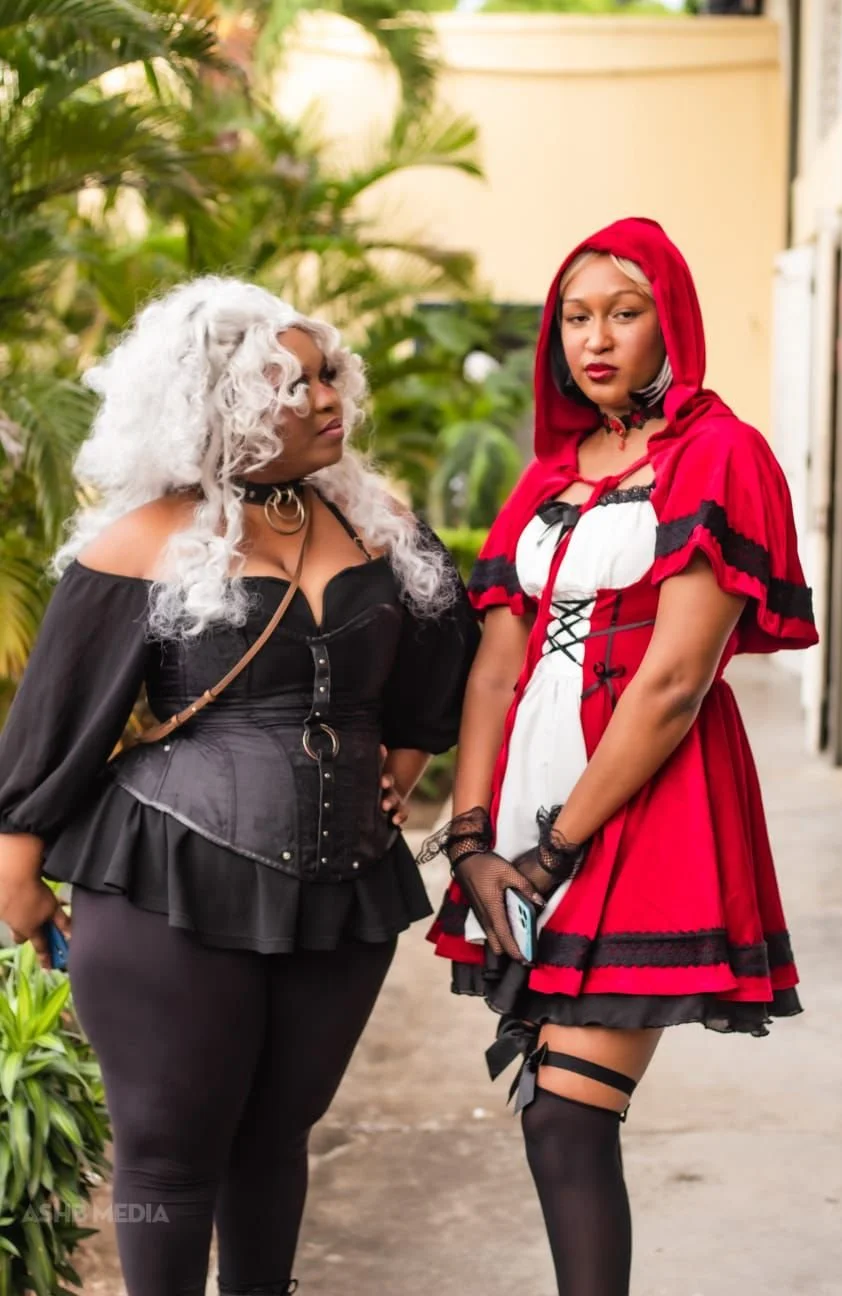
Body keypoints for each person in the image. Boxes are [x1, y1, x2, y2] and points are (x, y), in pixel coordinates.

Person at [0, 276, 478, 1296]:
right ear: (215, 406)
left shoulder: (375, 524)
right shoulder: (145, 538)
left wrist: (398, 764)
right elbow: (56, 723)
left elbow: (446, 655)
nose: (322, 398)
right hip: (172, 876)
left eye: (325, 374)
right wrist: (19, 870)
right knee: (170, 1150)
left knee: (277, 1135)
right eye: (289, 384)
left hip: (342, 886)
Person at [425, 218, 817, 1296]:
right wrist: (469, 836)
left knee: (562, 1119)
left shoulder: (719, 455)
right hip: (523, 803)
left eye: (625, 312)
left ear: (672, 322)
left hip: (644, 795)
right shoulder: (550, 474)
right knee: (552, 1117)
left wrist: (550, 854)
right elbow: (496, 666)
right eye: (576, 317)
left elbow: (677, 681)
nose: (595, 337)